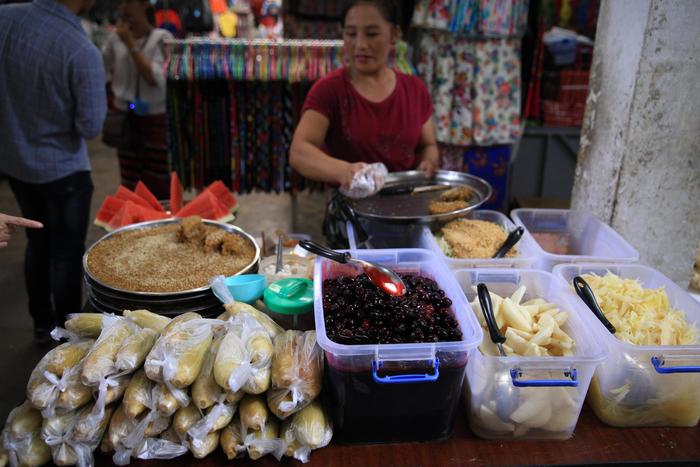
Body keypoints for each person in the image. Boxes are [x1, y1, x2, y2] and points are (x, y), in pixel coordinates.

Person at [289, 0, 438, 245]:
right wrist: (345, 171)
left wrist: (429, 162)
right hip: (352, 219)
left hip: (409, 217)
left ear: (395, 35)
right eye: (350, 33)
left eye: (372, 33)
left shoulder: (415, 89)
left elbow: (428, 144)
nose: (360, 45)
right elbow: (299, 151)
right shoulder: (329, 90)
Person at [0, 0, 107, 342]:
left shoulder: (6, 18)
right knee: (65, 253)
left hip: (16, 162)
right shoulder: (80, 50)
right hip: (64, 171)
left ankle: (40, 323)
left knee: (36, 242)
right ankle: (67, 333)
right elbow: (90, 126)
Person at [102, 0, 174, 199]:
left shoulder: (162, 38)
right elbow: (101, 71)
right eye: (121, 3)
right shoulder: (113, 40)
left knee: (159, 180)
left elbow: (154, 79)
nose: (123, 8)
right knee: (130, 179)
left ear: (144, 5)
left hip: (155, 119)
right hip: (124, 116)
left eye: (129, 2)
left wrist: (131, 45)